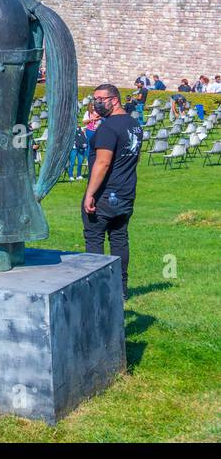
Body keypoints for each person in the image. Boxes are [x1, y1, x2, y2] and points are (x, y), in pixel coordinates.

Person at [82, 84, 142, 301]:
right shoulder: (134, 124)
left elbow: (103, 163)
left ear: (114, 100)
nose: (96, 103)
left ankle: (97, 291)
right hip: (126, 191)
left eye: (101, 99)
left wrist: (90, 193)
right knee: (119, 238)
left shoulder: (108, 128)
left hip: (106, 194)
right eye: (95, 99)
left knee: (94, 238)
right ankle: (120, 290)